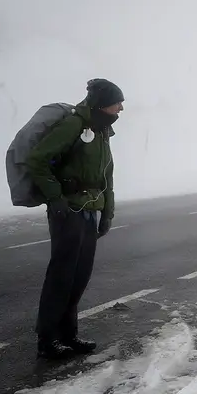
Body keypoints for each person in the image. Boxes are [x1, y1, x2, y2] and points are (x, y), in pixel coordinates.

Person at [25, 78, 124, 359]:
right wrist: (55, 198)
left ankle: (68, 335)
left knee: (79, 277)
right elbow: (37, 159)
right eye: (117, 103)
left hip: (90, 211)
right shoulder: (74, 125)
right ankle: (48, 339)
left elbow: (106, 177)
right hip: (69, 210)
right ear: (102, 104)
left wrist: (107, 213)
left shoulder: (101, 130)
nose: (120, 109)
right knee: (62, 276)